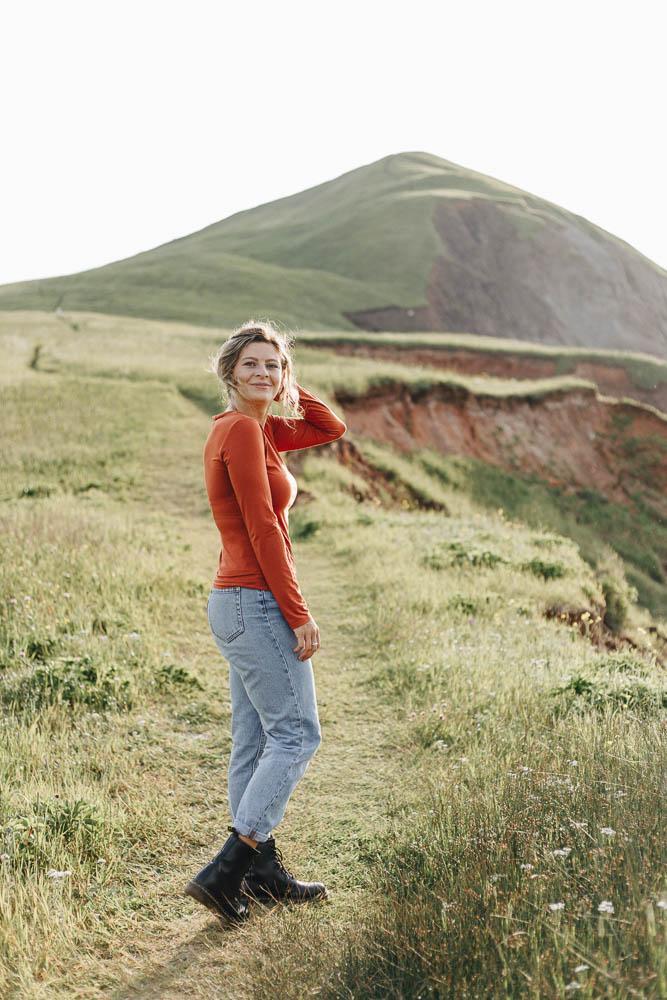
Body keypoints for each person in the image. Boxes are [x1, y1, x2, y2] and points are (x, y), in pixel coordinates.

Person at [184, 319, 347, 927]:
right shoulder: (244, 433)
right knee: (298, 735)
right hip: (255, 602)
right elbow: (263, 528)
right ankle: (228, 870)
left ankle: (262, 872)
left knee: (254, 740)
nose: (263, 374)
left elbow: (332, 426)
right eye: (251, 364)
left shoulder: (255, 429)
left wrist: (289, 386)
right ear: (230, 372)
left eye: (273, 365)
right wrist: (298, 613)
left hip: (235, 602)